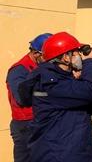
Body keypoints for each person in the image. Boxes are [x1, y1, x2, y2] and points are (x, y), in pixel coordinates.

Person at [18, 32, 92, 162]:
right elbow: (89, 92)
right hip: (59, 154)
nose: (80, 56)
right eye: (76, 53)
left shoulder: (59, 80)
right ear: (65, 57)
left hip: (69, 150)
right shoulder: (49, 83)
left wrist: (81, 76)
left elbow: (89, 105)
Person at [6, 33, 51, 162]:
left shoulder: (41, 66)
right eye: (48, 56)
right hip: (25, 124)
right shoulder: (19, 70)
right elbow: (21, 98)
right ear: (37, 53)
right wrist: (47, 94)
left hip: (40, 120)